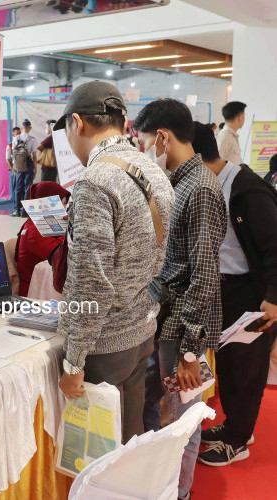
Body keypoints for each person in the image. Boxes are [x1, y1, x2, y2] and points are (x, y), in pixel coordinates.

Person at [53, 81, 174, 444]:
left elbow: (91, 281)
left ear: (77, 123)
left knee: (96, 453)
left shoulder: (95, 181)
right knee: (130, 436)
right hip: (142, 330)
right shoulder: (152, 170)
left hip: (105, 347)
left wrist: (74, 362)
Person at [135, 99, 226, 500]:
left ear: (162, 137)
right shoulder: (181, 182)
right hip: (169, 321)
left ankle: (178, 493)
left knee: (182, 422)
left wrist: (191, 352)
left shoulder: (201, 188)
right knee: (163, 411)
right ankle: (161, 484)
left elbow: (204, 276)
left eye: (143, 143)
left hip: (185, 331)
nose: (143, 152)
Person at [191, 122, 277, 466]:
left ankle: (238, 440)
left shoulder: (246, 189)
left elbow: (274, 247)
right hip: (222, 290)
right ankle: (236, 426)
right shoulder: (206, 185)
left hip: (252, 295)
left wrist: (273, 297)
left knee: (247, 368)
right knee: (228, 365)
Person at [15, 181, 69, 296]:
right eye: (63, 203)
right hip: (35, 295)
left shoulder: (49, 226)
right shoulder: (33, 231)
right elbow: (61, 257)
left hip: (48, 287)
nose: (66, 208)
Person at [11, 119, 38, 216]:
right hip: (28, 164)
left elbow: (14, 154)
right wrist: (35, 169)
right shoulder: (33, 140)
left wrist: (14, 167)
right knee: (28, 187)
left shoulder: (15, 138)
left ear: (22, 128)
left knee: (18, 187)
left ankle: (17, 209)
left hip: (18, 164)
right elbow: (34, 157)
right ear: (30, 128)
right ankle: (25, 211)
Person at [216, 101, 247, 165]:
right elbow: (215, 163)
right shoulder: (225, 137)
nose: (244, 119)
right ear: (240, 117)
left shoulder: (231, 136)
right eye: (244, 116)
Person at [6, 126, 21, 201]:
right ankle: (16, 206)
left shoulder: (23, 144)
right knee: (16, 188)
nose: (19, 135)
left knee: (22, 188)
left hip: (23, 169)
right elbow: (8, 159)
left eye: (20, 134)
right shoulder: (10, 145)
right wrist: (13, 170)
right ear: (13, 135)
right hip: (15, 170)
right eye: (17, 134)